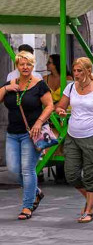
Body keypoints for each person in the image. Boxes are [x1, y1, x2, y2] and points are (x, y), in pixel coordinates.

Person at [53, 57, 93, 223]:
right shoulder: (70, 87)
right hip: (73, 136)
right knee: (70, 174)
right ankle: (91, 197)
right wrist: (61, 111)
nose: (76, 74)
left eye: (79, 71)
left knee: (90, 174)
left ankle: (89, 210)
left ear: (88, 71)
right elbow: (60, 107)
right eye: (75, 71)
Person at [1, 51, 55, 220]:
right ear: (17, 66)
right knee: (13, 169)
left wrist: (39, 122)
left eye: (28, 64)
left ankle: (27, 206)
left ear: (33, 66)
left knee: (27, 169)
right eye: (22, 64)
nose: (25, 67)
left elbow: (49, 106)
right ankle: (35, 192)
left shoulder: (39, 85)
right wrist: (5, 88)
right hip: (12, 133)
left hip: (31, 134)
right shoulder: (11, 83)